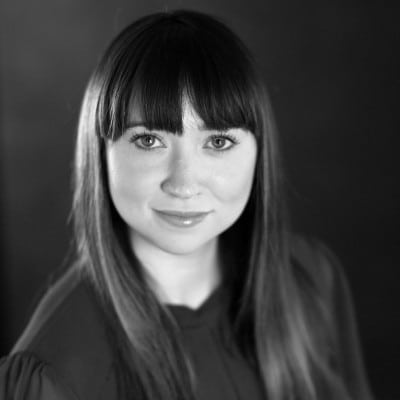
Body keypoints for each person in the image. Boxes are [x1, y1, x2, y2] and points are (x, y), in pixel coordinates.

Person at [0, 9, 374, 400]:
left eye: (218, 142)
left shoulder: (311, 281)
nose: (184, 184)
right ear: (101, 152)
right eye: (149, 140)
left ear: (258, 152)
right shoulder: (55, 370)